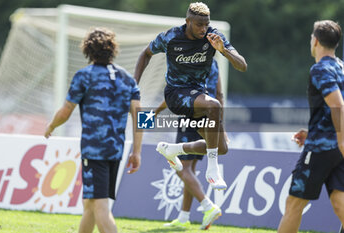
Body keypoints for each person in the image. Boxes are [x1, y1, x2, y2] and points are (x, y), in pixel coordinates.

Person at [134, 2, 247, 195]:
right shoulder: (171, 37)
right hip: (175, 95)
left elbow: (242, 65)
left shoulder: (214, 37)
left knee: (222, 147)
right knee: (214, 105)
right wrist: (134, 85)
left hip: (198, 98)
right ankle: (213, 170)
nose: (203, 29)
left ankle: (172, 149)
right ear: (187, 22)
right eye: (198, 25)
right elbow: (146, 54)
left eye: (206, 24)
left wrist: (223, 50)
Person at [44, 28, 142, 233]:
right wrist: (137, 151)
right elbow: (142, 117)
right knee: (90, 204)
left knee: (100, 206)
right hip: (116, 150)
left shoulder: (84, 76)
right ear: (113, 50)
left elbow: (65, 112)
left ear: (88, 50)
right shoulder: (127, 78)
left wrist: (51, 126)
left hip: (94, 151)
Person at [277, 20, 344, 233]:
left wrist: (340, 139)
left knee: (294, 204)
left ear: (315, 41)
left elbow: (337, 105)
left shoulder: (319, 69)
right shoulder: (341, 67)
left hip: (324, 148)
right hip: (334, 146)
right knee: (339, 202)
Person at [156, 59, 229, 230]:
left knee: (184, 168)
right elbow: (219, 95)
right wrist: (220, 123)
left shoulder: (189, 60)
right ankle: (183, 217)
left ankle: (207, 206)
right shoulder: (214, 63)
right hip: (211, 114)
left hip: (191, 114)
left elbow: (177, 94)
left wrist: (155, 112)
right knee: (192, 168)